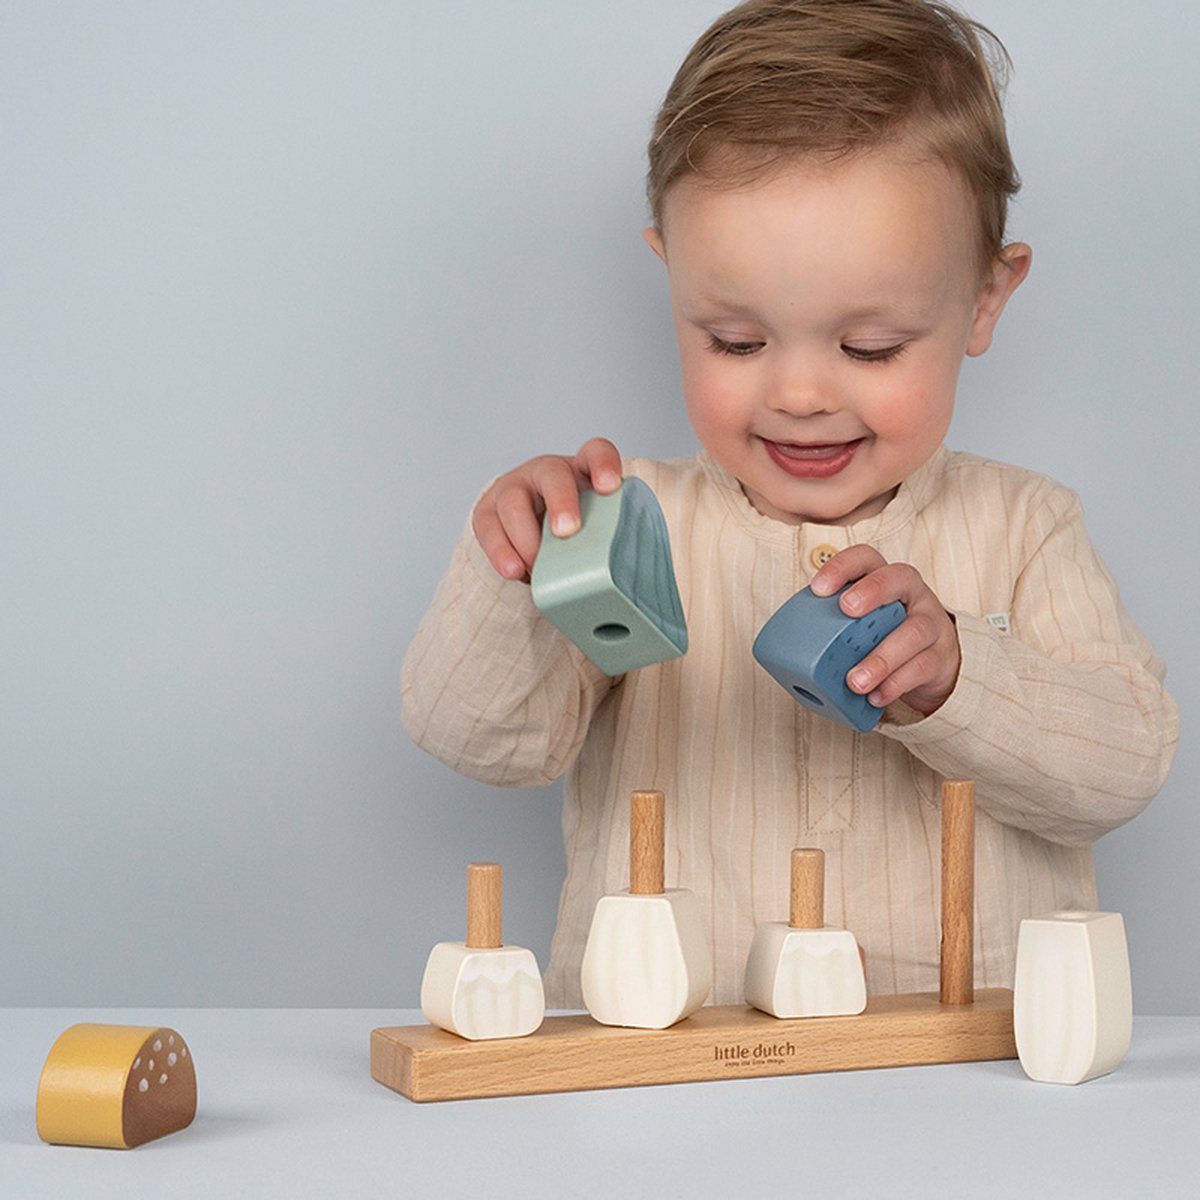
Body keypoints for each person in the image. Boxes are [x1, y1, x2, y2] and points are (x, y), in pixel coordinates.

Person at [401, 0, 1178, 1008]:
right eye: (734, 341)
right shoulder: (633, 524)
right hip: (669, 1065)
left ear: (986, 298)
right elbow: (479, 741)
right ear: (671, 277)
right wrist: (518, 570)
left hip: (959, 1067)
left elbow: (1122, 768)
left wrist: (961, 682)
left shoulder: (1028, 526)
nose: (801, 395)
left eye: (869, 348)